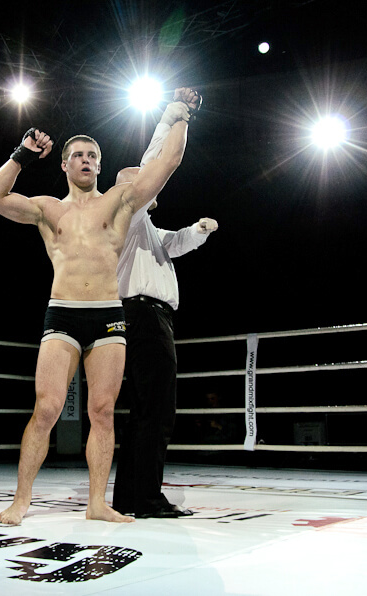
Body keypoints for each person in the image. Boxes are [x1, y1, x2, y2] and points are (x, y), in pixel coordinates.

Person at [0, 88, 200, 525]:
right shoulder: (47, 209)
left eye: (92, 156)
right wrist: (22, 156)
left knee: (102, 412)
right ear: (64, 165)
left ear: (99, 165)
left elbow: (169, 162)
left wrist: (181, 112)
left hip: (108, 315)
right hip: (62, 312)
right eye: (77, 155)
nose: (85, 160)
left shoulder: (119, 201)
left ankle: (97, 503)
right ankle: (21, 499)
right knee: (46, 409)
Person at [112, 105, 218, 518]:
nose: (146, 182)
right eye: (136, 179)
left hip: (143, 317)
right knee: (156, 409)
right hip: (143, 316)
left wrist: (198, 232)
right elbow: (153, 161)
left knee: (145, 409)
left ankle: (132, 495)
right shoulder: (125, 213)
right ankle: (145, 497)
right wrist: (170, 118)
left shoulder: (145, 229)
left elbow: (172, 244)